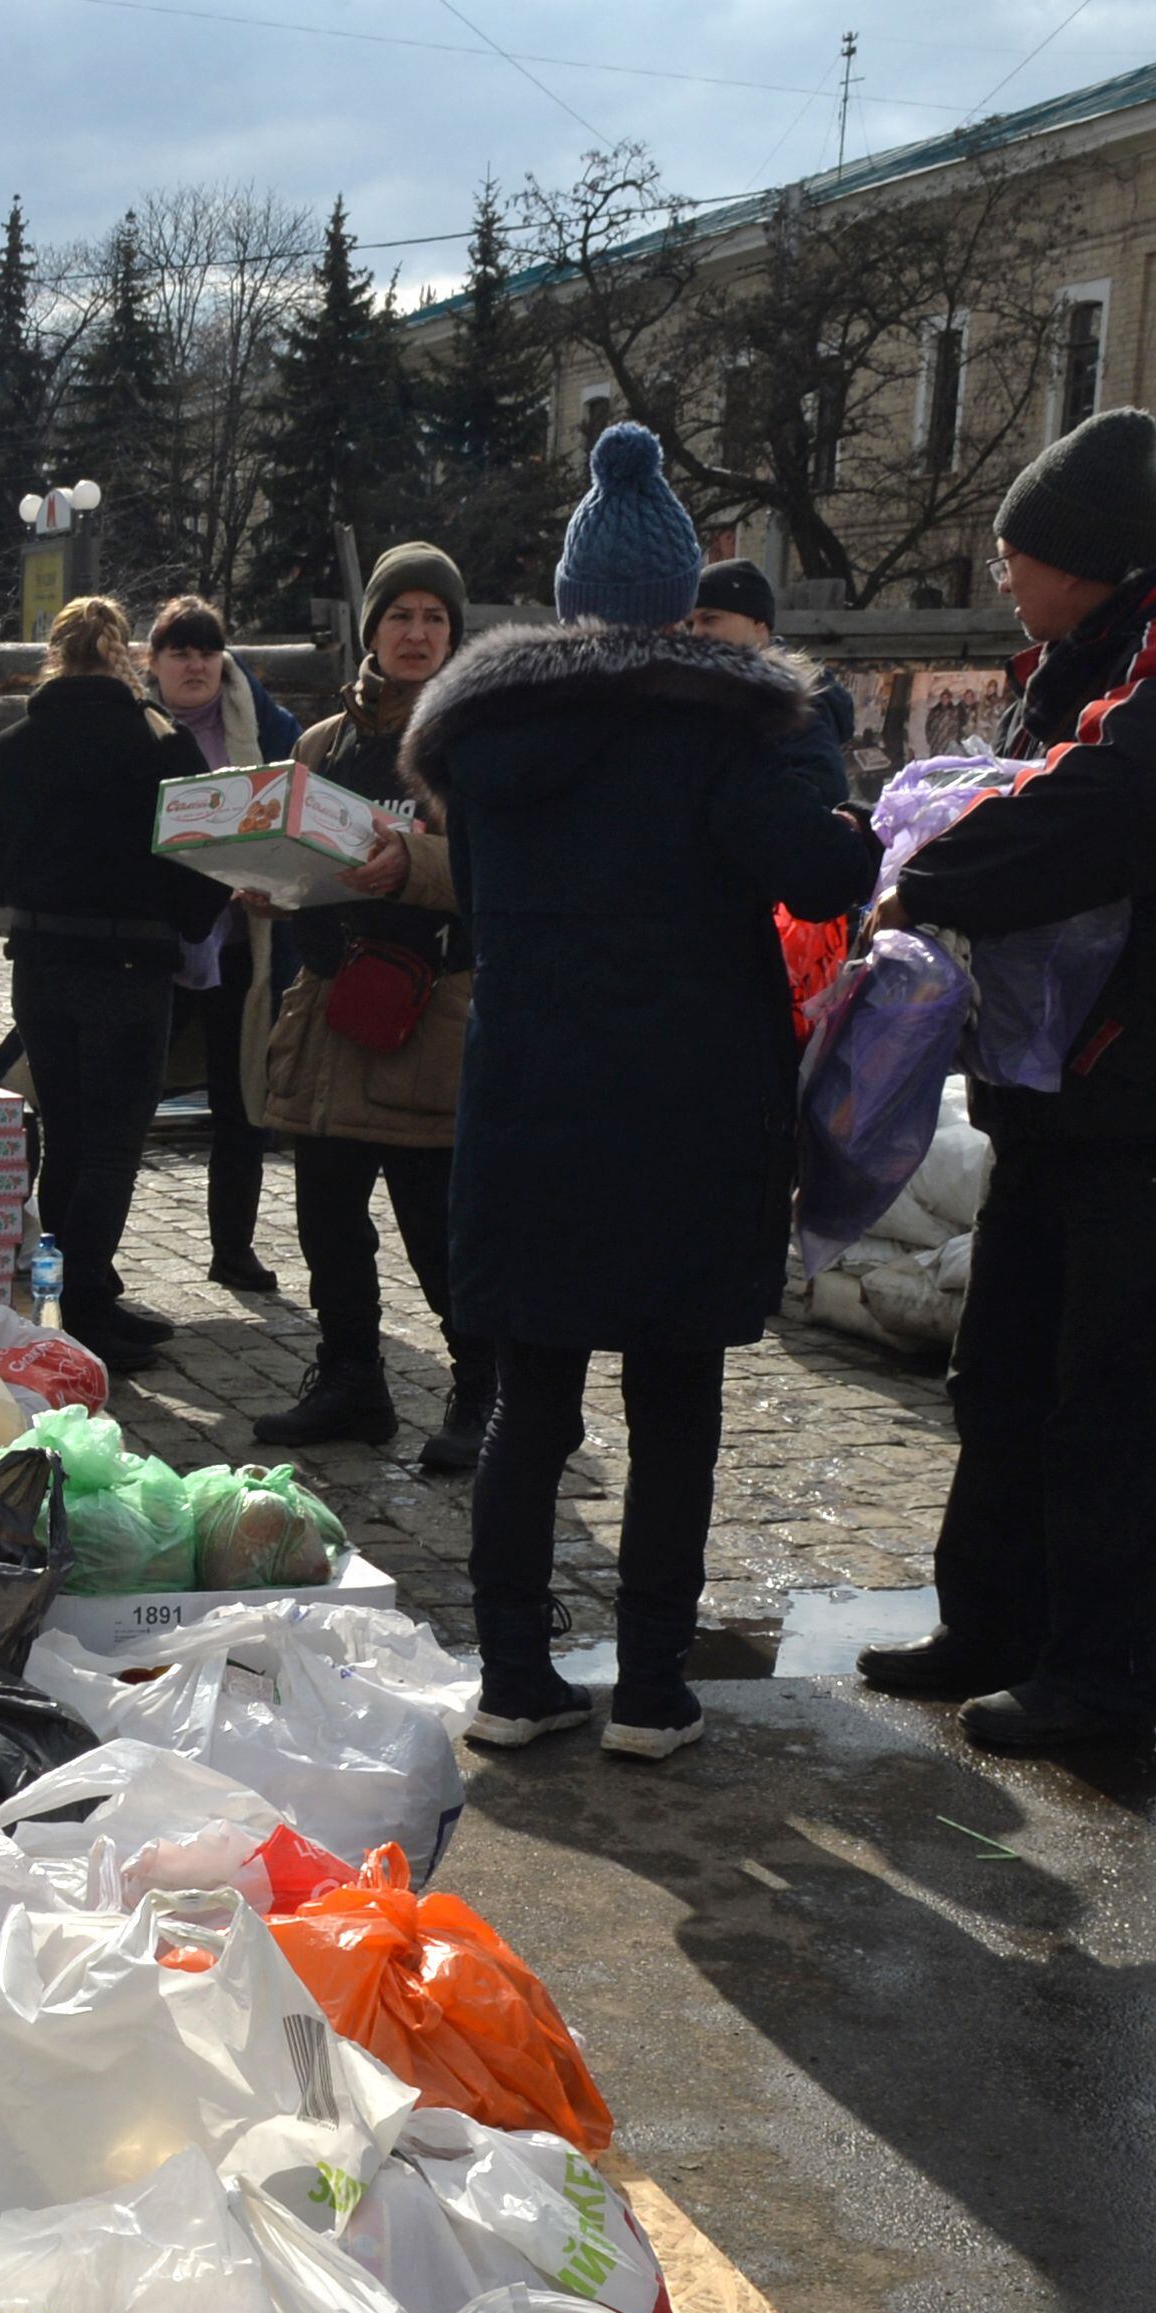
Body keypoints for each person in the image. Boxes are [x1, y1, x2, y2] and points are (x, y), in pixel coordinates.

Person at [411, 425, 877, 1759]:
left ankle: (513, 1679)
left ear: (565, 599)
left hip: (531, 1091)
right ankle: (657, 1691)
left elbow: (487, 907)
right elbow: (817, 879)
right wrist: (844, 817)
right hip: (692, 1097)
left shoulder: (489, 738)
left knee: (529, 1401)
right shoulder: (738, 721)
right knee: (674, 1406)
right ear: (683, 596)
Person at [864, 406, 1156, 1758]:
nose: (1001, 570)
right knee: (1005, 1368)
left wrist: (923, 877)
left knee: (1118, 1389)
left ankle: (1106, 1690)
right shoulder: (1085, 653)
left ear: (1083, 555)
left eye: (1016, 550)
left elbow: (1111, 814)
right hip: (1061, 1092)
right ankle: (993, 1626)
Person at [248, 542, 482, 1473]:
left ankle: (480, 1393)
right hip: (332, 1008)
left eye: (434, 617)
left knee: (436, 1227)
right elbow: (301, 855)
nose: (417, 632)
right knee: (327, 1218)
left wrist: (415, 864)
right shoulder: (322, 745)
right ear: (371, 630)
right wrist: (262, 879)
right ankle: (352, 1380)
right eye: (401, 616)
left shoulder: (480, 738)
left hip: (430, 1014)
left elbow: (504, 871)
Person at [0, 595, 220, 1373]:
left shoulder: (16, 745)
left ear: (53, 656)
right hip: (131, 970)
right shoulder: (162, 745)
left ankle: (81, 1297)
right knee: (111, 1147)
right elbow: (202, 866)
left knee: (70, 1138)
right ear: (125, 657)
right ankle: (82, 1311)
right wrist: (183, 921)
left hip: (42, 968)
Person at [142, 595, 301, 1295]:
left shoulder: (264, 728)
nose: (195, 665)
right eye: (180, 652)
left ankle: (232, 1248)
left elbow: (293, 808)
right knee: (128, 1098)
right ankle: (93, 1258)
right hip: (157, 946)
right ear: (155, 664)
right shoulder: (133, 729)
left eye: (207, 651)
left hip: (241, 943)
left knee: (242, 1104)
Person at [690, 560, 864, 1014]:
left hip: (770, 915)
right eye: (688, 622)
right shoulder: (716, 693)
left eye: (710, 619)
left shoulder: (792, 702)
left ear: (759, 624)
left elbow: (822, 787)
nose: (696, 633)